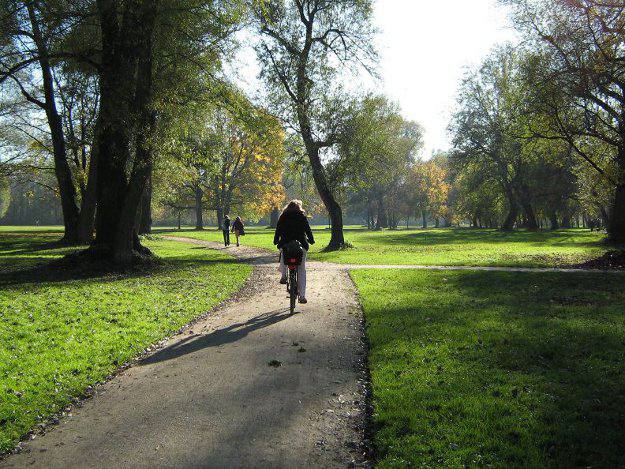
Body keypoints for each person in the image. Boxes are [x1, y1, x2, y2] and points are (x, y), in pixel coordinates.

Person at [273, 200, 315, 304]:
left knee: (283, 253)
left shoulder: (283, 217)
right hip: (301, 244)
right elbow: (308, 230)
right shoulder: (302, 217)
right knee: (301, 269)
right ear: (299, 208)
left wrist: (276, 241)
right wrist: (311, 240)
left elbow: (278, 230)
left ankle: (283, 276)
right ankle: (302, 296)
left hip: (285, 243)